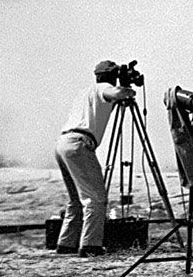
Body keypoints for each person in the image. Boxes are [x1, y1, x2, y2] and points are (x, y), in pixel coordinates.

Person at [54, 60, 135, 256]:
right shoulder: (103, 88)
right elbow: (116, 94)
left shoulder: (85, 92)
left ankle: (66, 244)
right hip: (79, 144)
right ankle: (90, 246)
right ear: (111, 76)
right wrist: (126, 90)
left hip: (63, 142)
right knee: (96, 198)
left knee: (75, 200)